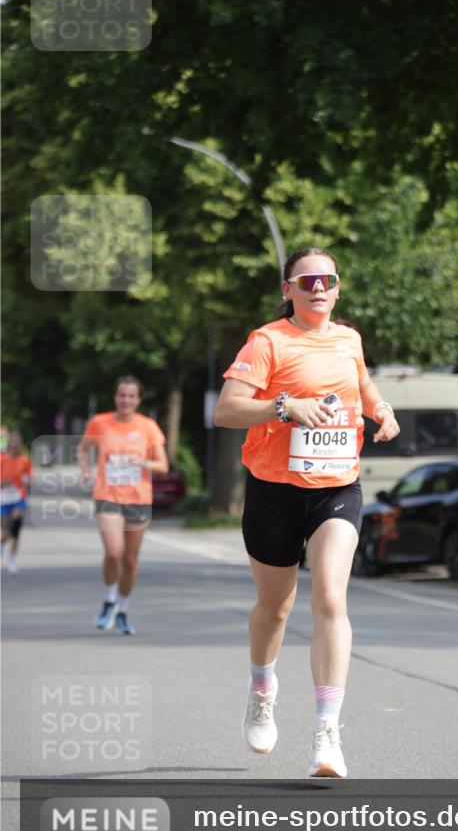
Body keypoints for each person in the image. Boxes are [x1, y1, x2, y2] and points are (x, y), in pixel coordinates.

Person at [214, 247, 400, 778]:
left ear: (338, 289)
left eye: (329, 279)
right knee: (274, 611)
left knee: (330, 597)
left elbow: (362, 386)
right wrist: (283, 406)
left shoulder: (349, 339)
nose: (319, 287)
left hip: (336, 489)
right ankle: (262, 687)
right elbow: (226, 410)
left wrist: (381, 410)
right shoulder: (267, 341)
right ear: (287, 289)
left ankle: (326, 733)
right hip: (273, 491)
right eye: (307, 280)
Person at [77, 376, 168, 635]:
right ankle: (109, 600)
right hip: (107, 494)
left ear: (138, 399)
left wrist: (142, 463)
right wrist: (85, 469)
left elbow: (163, 465)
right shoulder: (100, 422)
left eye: (131, 396)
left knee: (129, 561)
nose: (126, 400)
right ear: (115, 397)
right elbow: (83, 449)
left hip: (138, 499)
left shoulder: (148, 426)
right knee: (114, 552)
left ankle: (123, 610)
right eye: (122, 395)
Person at [1, 430, 32, 575]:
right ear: (9, 443)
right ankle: (2, 543)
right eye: (12, 441)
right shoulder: (3, 459)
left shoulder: (24, 460)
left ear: (20, 444)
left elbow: (28, 478)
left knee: (17, 529)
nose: (15, 444)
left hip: (19, 498)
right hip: (5, 499)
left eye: (17, 441)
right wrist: (4, 483)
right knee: (6, 534)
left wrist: (25, 487)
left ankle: (11, 561)